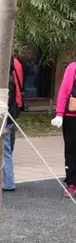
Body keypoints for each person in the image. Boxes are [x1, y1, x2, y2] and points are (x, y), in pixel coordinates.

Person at [50, 60, 76, 198]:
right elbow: (64, 91)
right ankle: (71, 183)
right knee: (71, 150)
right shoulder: (73, 67)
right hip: (72, 115)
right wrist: (59, 114)